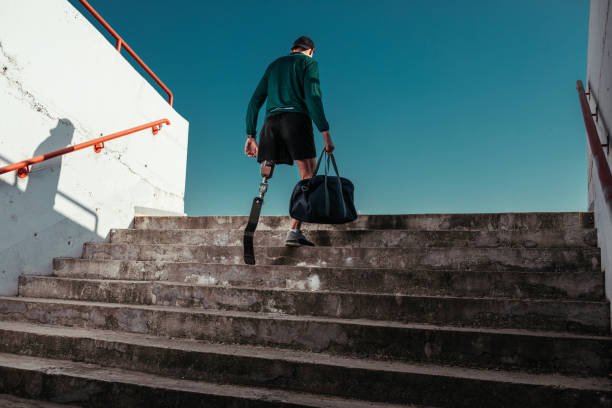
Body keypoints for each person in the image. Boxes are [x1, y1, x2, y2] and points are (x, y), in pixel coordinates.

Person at [244, 35, 334, 247]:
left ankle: (256, 210)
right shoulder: (309, 63)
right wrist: (325, 132)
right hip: (296, 120)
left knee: (267, 173)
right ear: (311, 51)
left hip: (271, 123)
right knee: (307, 176)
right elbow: (313, 97)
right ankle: (294, 231)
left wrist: (251, 135)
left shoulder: (274, 65)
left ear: (293, 49)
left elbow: (254, 101)